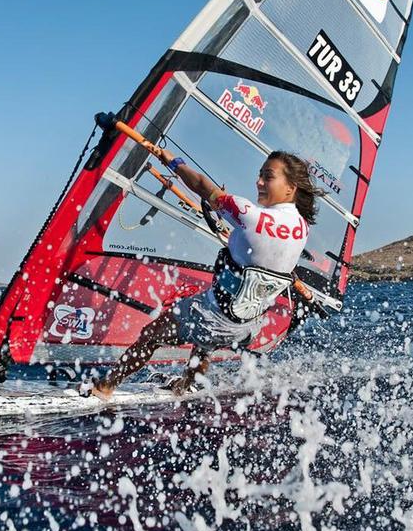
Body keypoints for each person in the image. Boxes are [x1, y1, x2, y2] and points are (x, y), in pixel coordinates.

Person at [90, 149, 318, 399]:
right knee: (206, 320)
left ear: (290, 188)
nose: (259, 182)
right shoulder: (302, 229)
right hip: (248, 328)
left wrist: (172, 161)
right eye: (259, 175)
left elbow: (200, 184)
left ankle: (106, 386)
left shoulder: (248, 213)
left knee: (150, 336)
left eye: (268, 176)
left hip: (215, 318)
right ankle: (186, 384)